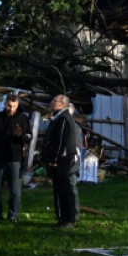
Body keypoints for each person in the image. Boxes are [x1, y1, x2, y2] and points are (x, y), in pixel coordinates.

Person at [0, 93, 31, 222]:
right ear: (5, 104)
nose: (11, 109)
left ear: (17, 105)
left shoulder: (23, 118)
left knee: (15, 190)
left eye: (14, 106)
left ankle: (13, 215)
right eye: (9, 106)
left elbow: (29, 137)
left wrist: (21, 135)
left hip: (15, 159)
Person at [44, 94, 82, 229]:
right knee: (61, 190)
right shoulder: (58, 118)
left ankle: (68, 220)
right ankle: (64, 219)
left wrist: (54, 159)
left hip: (63, 160)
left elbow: (60, 141)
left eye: (54, 100)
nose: (51, 102)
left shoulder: (63, 119)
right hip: (61, 159)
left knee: (66, 191)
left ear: (62, 104)